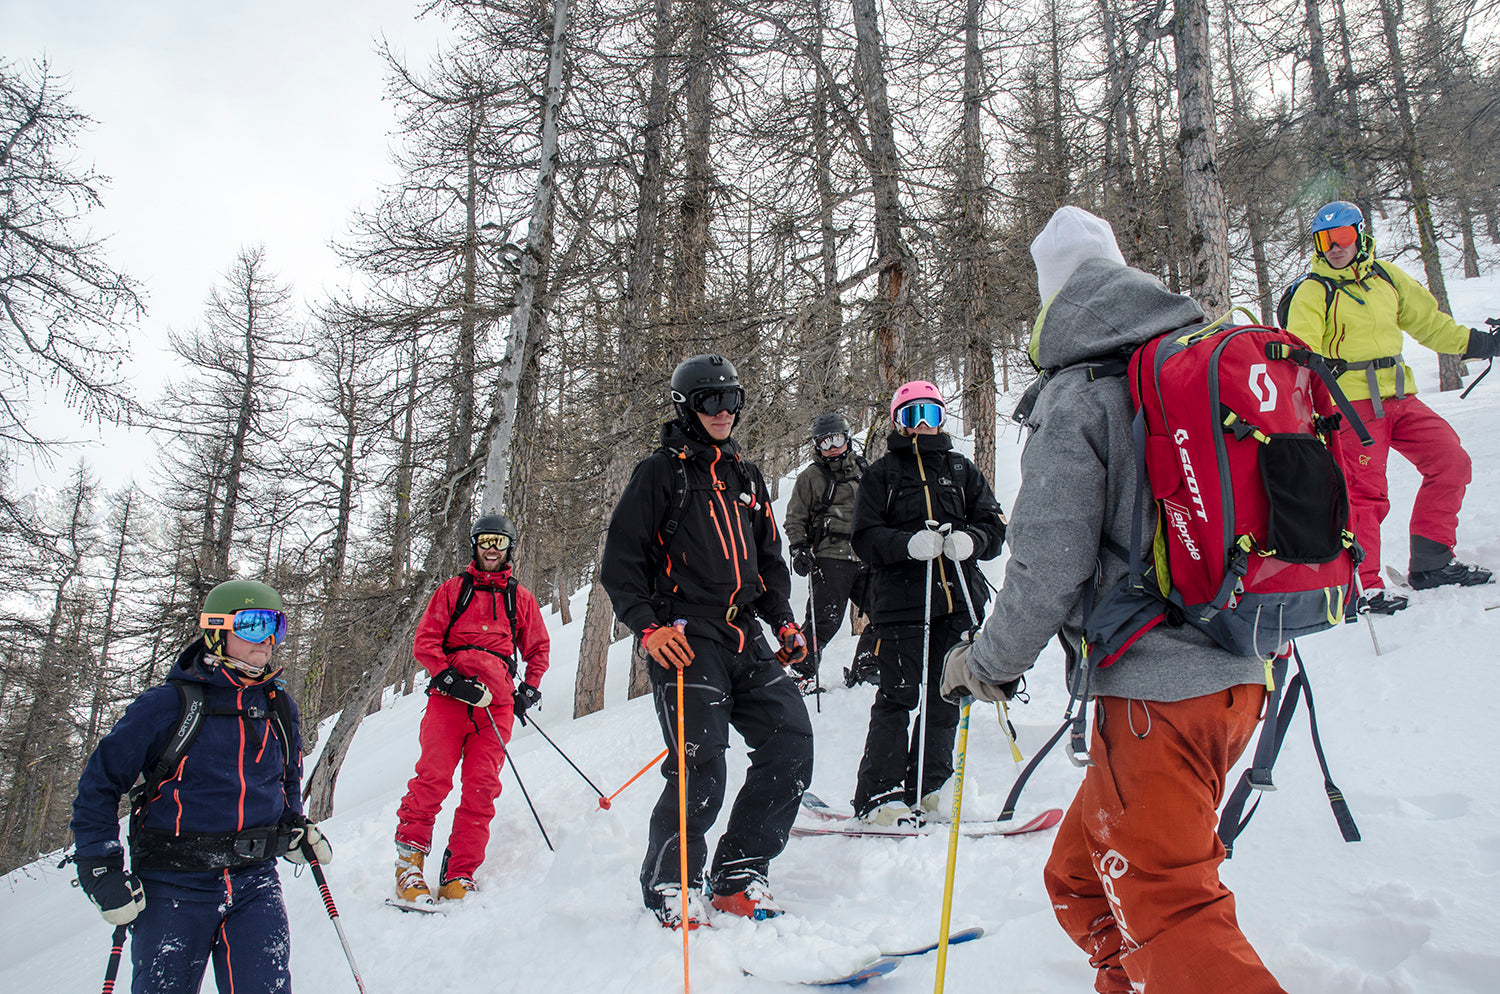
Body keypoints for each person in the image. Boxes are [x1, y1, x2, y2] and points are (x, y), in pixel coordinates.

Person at [942, 204, 1287, 993]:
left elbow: (1047, 564)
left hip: (1156, 698)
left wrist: (986, 662)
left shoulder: (1080, 395)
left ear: (1055, 302)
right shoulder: (1192, 373)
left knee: (1171, 910)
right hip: (1239, 680)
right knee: (1081, 878)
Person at [600, 353, 814, 929]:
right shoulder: (659, 474)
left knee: (791, 745)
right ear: (687, 408)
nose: (724, 412)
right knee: (702, 763)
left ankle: (739, 875)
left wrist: (784, 621)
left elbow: (767, 559)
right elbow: (621, 564)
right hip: (686, 636)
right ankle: (672, 884)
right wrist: (648, 627)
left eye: (732, 401)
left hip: (744, 632)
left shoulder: (745, 474)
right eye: (710, 402)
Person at [70, 579, 328, 994]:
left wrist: (291, 824)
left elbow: (286, 778)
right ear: (216, 630)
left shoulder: (278, 705)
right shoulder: (167, 705)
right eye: (252, 625)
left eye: (275, 627)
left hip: (254, 882)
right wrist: (99, 868)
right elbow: (99, 784)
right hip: (174, 884)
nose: (267, 641)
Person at [1284, 200, 1499, 613]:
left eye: (1343, 236)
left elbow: (1432, 326)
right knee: (1365, 493)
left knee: (1450, 460)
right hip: (1350, 403)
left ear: (1361, 236)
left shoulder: (1387, 278)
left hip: (1401, 397)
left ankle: (1433, 563)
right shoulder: (1314, 290)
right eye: (1325, 239)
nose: (1334, 247)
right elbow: (1300, 348)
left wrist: (1483, 343)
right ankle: (1362, 587)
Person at [848, 379, 1006, 827]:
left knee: (946, 696)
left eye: (931, 414)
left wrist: (971, 541)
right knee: (897, 697)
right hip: (901, 605)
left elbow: (994, 525)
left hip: (956, 602)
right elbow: (864, 537)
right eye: (913, 415)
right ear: (899, 420)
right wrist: (907, 545)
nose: (922, 425)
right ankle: (879, 795)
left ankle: (930, 787)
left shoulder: (960, 470)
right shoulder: (882, 475)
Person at [393, 513, 550, 903]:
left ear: (509, 547)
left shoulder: (520, 598)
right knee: (433, 780)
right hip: (449, 701)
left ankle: (460, 871)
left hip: (494, 707)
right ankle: (409, 866)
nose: (492, 548)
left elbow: (538, 649)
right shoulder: (452, 590)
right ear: (475, 545)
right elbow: (426, 641)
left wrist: (528, 689)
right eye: (486, 540)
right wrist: (447, 676)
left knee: (482, 789)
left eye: (499, 541)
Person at [784, 412, 879, 692]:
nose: (832, 447)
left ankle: (868, 665)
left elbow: (880, 506)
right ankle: (802, 673)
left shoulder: (864, 469)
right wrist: (798, 547)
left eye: (837, 439)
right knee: (824, 620)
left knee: (885, 611)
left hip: (865, 554)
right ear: (817, 446)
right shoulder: (811, 477)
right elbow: (795, 517)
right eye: (824, 443)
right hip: (830, 556)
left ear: (847, 439)